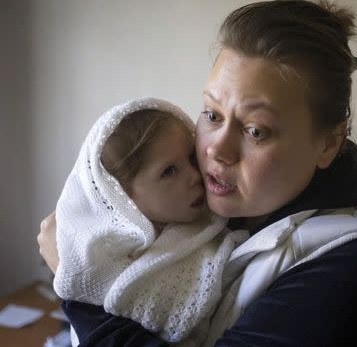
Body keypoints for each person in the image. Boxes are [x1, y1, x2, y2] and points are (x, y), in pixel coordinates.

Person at [38, 0, 357, 347]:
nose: (215, 150)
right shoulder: (221, 217)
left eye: (255, 130)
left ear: (328, 143)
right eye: (211, 114)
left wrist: (79, 288)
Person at [52, 98, 247, 346]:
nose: (194, 175)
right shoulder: (100, 254)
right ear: (123, 195)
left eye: (190, 157)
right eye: (169, 171)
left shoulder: (215, 227)